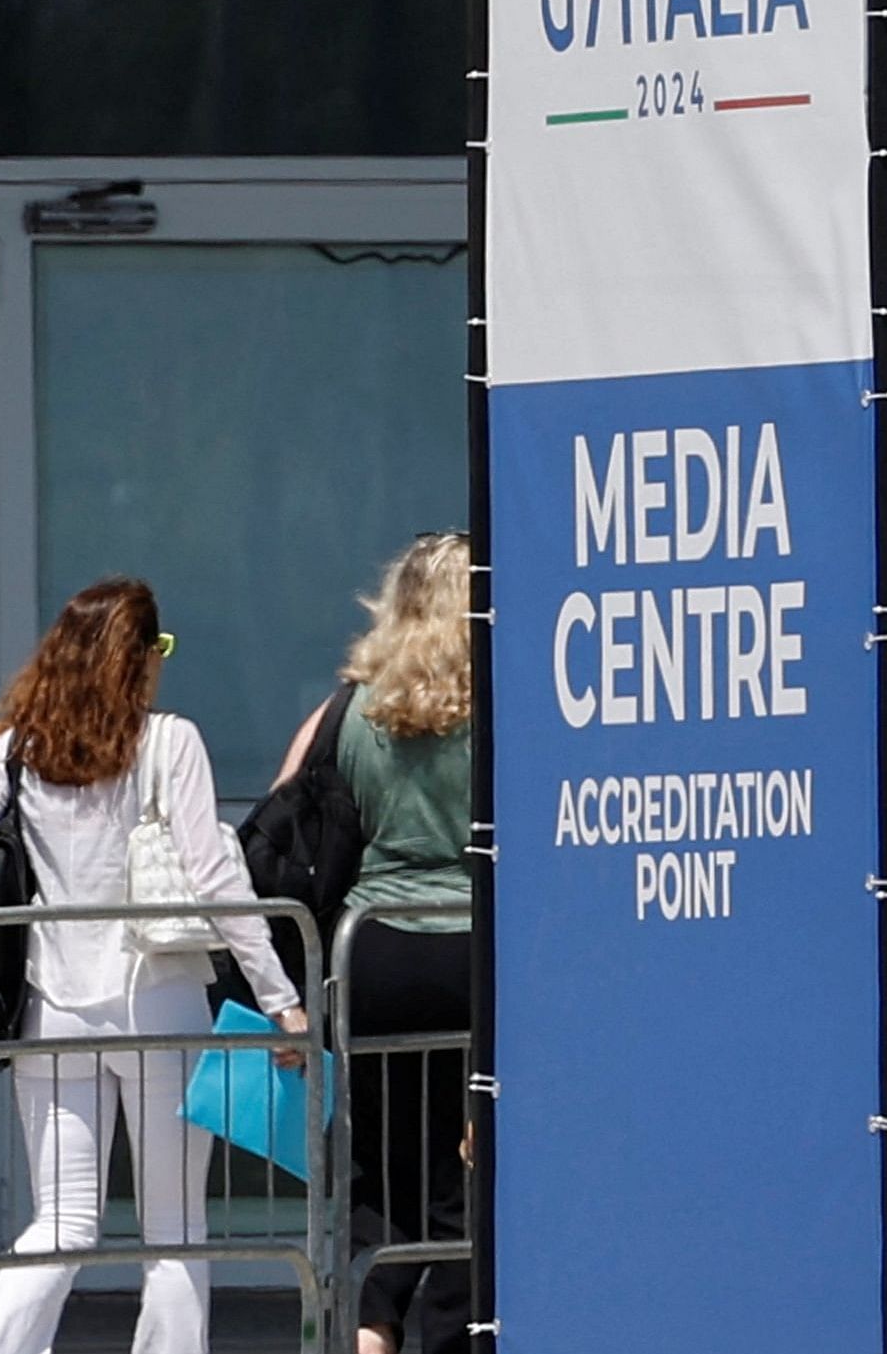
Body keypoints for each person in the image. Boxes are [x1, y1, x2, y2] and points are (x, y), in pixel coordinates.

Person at [0, 578, 310, 1354]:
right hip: (160, 1002)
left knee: (61, 1220)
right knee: (174, 1228)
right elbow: (217, 878)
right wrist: (281, 998)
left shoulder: (20, 748)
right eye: (157, 648)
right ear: (134, 658)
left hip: (51, 1007)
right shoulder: (171, 742)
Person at [329, 533, 478, 1354]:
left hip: (373, 950)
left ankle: (369, 1329)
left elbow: (306, 797)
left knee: (383, 1168)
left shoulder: (356, 704)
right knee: (469, 1168)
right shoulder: (499, 700)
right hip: (469, 953)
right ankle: (450, 1335)